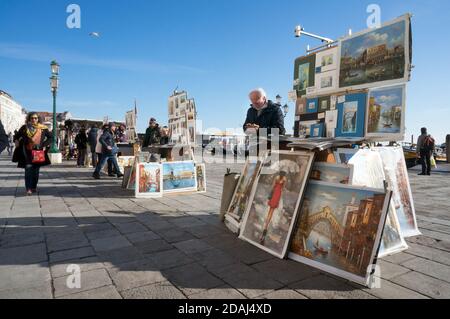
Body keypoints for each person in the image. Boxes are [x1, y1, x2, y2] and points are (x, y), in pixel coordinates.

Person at [12, 112, 52, 195]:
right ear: (29, 119)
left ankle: (33, 187)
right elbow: (16, 136)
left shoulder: (43, 128)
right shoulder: (24, 128)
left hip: (38, 152)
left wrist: (43, 144)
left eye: (35, 118)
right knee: (28, 170)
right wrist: (16, 140)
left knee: (36, 172)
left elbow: (51, 138)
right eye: (32, 118)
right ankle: (28, 189)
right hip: (27, 152)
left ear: (38, 119)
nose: (34, 119)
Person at [259, 171, 287, 244]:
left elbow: (273, 186)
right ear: (284, 174)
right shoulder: (284, 179)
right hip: (278, 195)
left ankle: (265, 229)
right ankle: (266, 230)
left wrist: (271, 195)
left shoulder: (276, 178)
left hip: (274, 193)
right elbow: (282, 189)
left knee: (269, 213)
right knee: (271, 213)